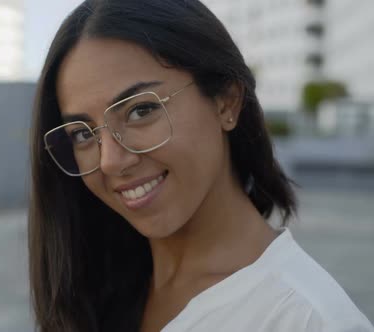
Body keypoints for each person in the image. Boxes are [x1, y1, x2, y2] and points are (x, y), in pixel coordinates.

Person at [27, 0, 374, 331]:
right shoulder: (92, 290)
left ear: (226, 101)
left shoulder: (310, 321)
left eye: (140, 111)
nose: (110, 161)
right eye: (82, 133)